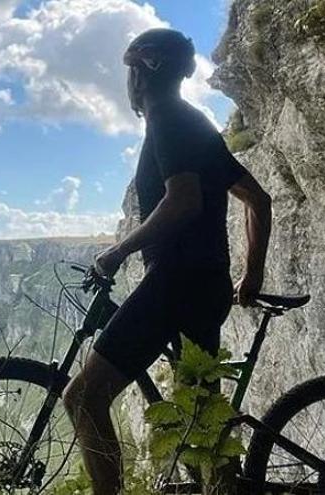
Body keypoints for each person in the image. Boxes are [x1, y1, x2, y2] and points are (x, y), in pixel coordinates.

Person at [61, 28, 272, 494]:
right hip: (206, 284)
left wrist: (118, 251)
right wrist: (250, 274)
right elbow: (258, 200)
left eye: (130, 70)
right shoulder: (195, 123)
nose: (128, 83)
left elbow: (183, 200)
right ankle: (224, 486)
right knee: (200, 418)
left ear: (144, 71)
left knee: (83, 397)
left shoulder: (168, 120)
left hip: (178, 282)